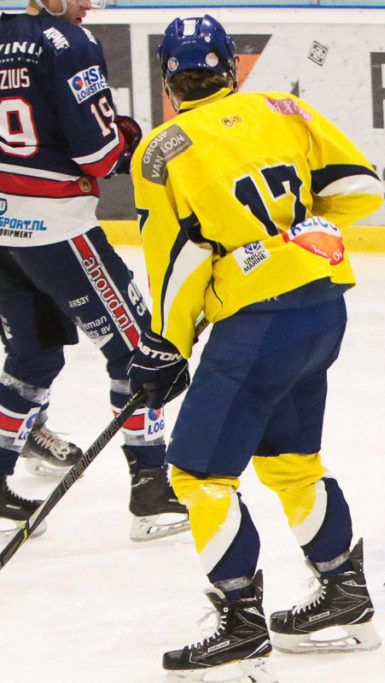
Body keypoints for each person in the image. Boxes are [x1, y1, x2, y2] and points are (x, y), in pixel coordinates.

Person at [128, 15, 384, 681]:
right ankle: (346, 600)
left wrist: (165, 343)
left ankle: (241, 626)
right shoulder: (285, 106)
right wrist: (303, 230)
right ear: (232, 66)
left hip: (258, 326)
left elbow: (178, 262)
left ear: (167, 78)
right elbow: (362, 187)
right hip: (323, 308)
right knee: (292, 461)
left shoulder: (162, 148)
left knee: (198, 475)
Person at [0, 0, 187, 541]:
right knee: (138, 352)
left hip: (3, 236)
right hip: (56, 229)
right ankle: (152, 495)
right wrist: (126, 141)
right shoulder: (68, 43)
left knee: (31, 356)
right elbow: (100, 155)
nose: (87, 4)